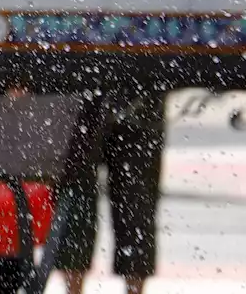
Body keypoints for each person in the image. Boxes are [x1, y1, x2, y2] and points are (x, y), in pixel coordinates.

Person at [55, 91, 165, 294]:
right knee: (77, 203)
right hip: (113, 90)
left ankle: (79, 288)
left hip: (134, 91)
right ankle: (75, 288)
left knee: (135, 204)